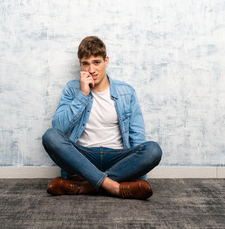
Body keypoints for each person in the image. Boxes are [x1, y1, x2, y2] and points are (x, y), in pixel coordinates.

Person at [42, 36, 162, 199]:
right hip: (83, 158)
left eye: (96, 62)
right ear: (80, 65)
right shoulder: (72, 89)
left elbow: (137, 138)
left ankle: (84, 187)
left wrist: (139, 175)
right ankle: (114, 187)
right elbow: (59, 127)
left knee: (153, 150)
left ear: (106, 61)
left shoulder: (126, 92)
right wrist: (83, 95)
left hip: (117, 158)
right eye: (86, 63)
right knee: (50, 136)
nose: (91, 69)